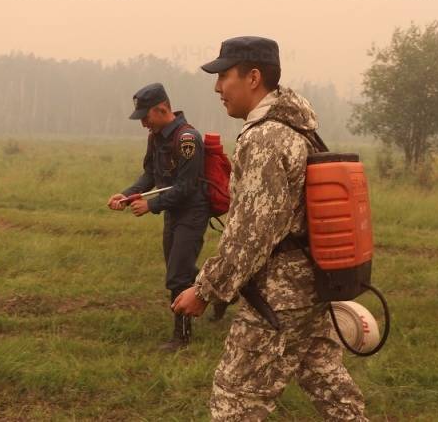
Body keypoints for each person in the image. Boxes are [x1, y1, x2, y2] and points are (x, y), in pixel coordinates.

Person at [172, 36, 367, 421]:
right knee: (327, 382)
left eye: (224, 76)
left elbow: (251, 234)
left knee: (236, 400)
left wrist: (205, 289)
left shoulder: (265, 137)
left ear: (253, 77)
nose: (217, 87)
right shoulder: (297, 128)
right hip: (312, 283)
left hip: (278, 296)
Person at [107, 82, 209, 350]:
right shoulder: (156, 137)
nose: (143, 124)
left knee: (177, 276)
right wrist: (127, 195)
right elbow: (150, 176)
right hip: (172, 213)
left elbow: (187, 188)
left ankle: (182, 337)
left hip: (192, 212)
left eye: (145, 117)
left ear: (162, 109)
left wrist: (151, 206)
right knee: (182, 269)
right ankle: (224, 290)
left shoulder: (188, 139)